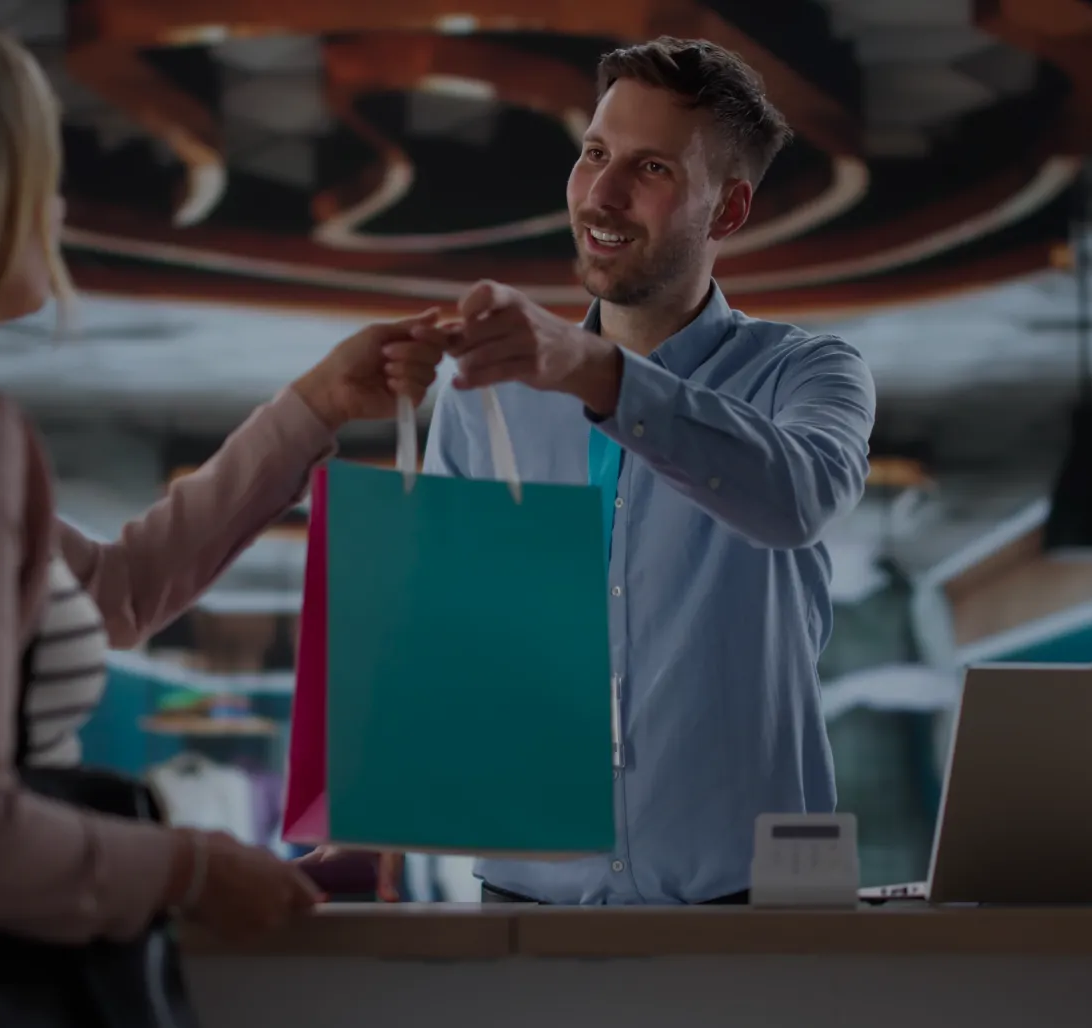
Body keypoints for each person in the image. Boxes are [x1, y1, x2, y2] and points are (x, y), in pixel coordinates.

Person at [0, 8, 445, 944]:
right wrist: (190, 868)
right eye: (40, 169)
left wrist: (312, 405)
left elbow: (115, 592)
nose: (60, 208)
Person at [331, 36, 878, 905]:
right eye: (594, 154)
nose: (603, 194)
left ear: (727, 212)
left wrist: (590, 371)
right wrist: (384, 805)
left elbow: (798, 497)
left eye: (651, 167)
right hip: (528, 885)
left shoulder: (808, 373)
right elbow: (448, 624)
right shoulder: (485, 394)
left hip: (762, 891)